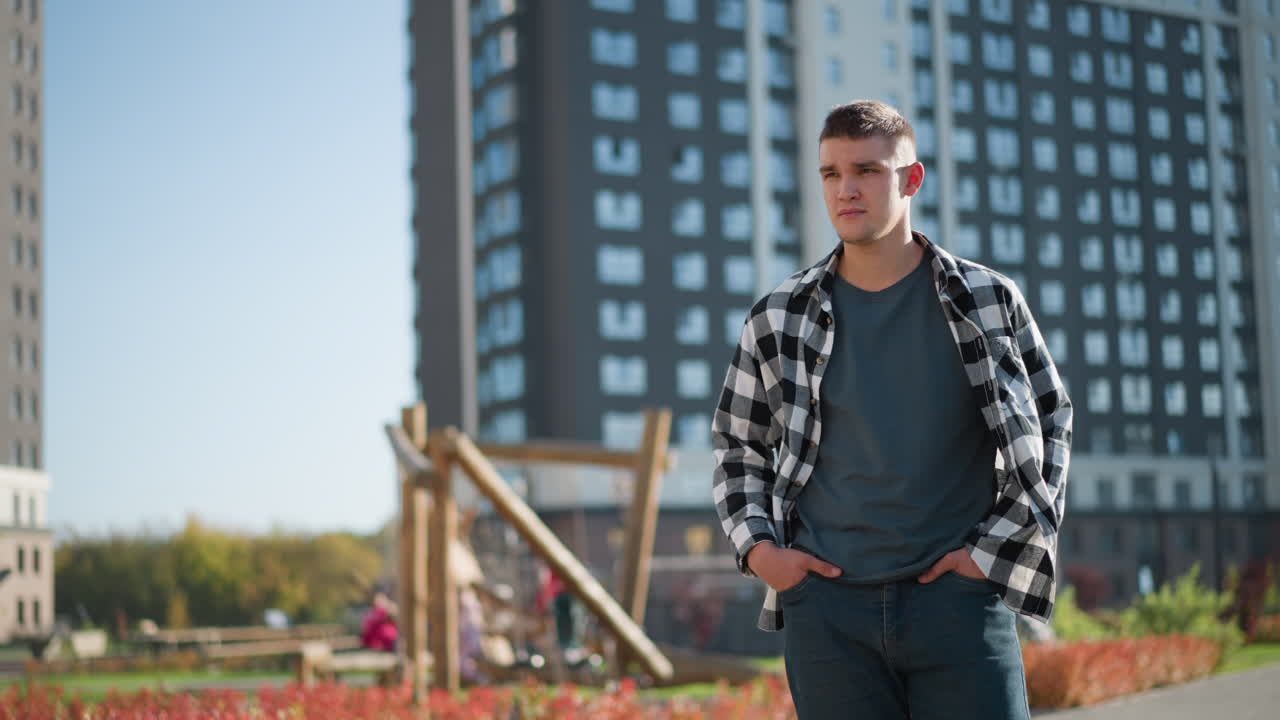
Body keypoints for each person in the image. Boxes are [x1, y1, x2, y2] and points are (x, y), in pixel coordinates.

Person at [711, 100, 1072, 719]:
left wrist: (986, 559)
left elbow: (1050, 423)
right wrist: (762, 554)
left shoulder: (986, 301)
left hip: (958, 603)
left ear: (911, 179)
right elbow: (737, 444)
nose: (846, 189)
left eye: (867, 171)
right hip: (827, 614)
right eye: (830, 173)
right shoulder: (778, 316)